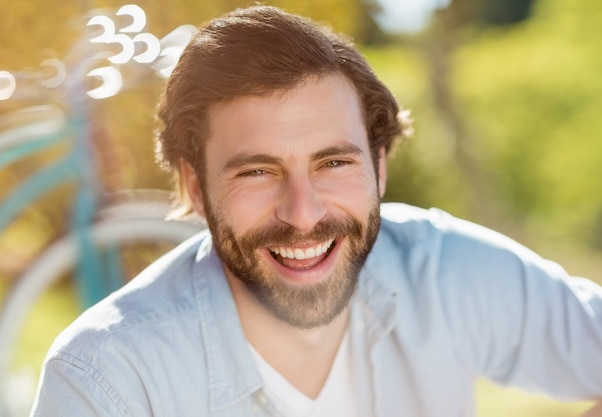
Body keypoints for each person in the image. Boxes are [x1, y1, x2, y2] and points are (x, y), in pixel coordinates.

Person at [30, 5, 602, 417]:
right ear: (194, 186)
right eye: (257, 171)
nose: (303, 214)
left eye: (333, 163)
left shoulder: (445, 271)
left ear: (379, 167)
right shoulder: (106, 382)